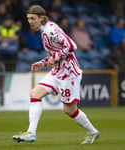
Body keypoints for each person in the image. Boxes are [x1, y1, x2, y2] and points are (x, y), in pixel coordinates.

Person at [12, 5, 99, 144]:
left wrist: (54, 58)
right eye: (28, 19)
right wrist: (44, 62)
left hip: (69, 74)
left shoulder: (50, 30)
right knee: (35, 94)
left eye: (33, 18)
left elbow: (72, 46)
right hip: (57, 71)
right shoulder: (44, 29)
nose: (30, 21)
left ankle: (93, 132)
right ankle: (31, 133)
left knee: (70, 110)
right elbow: (56, 53)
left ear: (41, 18)